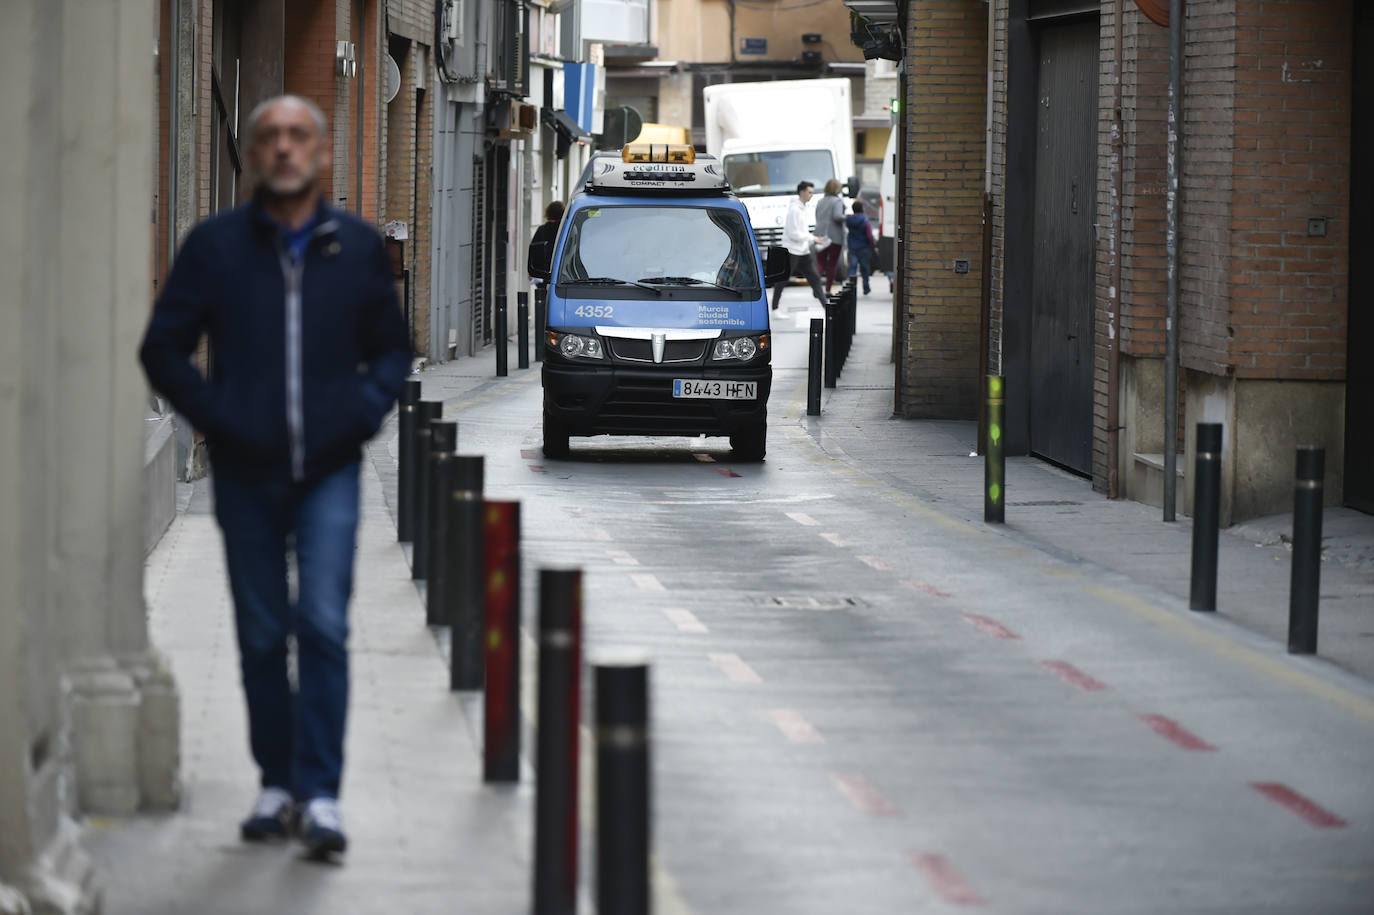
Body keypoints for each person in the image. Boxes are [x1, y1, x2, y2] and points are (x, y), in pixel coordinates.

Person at [139, 95, 410, 860]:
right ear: (254, 156)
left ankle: (320, 795)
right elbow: (163, 347)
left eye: (299, 136)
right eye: (269, 137)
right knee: (262, 633)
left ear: (321, 154)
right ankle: (277, 781)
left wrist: (359, 412)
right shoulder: (215, 247)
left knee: (321, 623)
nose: (285, 148)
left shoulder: (353, 247)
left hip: (328, 469)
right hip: (246, 472)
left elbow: (393, 350)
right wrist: (215, 416)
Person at [771, 180, 829, 311]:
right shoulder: (795, 210)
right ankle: (774, 309)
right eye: (809, 192)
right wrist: (813, 239)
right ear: (802, 192)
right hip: (792, 250)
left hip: (802, 250)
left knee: (814, 278)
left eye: (812, 192)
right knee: (782, 280)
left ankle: (827, 307)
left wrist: (812, 239)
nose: (811, 195)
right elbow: (793, 234)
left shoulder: (802, 208)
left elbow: (801, 231)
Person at [815, 178, 847, 294]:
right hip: (834, 237)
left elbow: (817, 217)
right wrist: (848, 217)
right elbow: (837, 216)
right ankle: (827, 290)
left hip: (820, 236)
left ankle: (816, 287)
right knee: (832, 264)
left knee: (821, 263)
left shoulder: (820, 201)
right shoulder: (837, 201)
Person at [845, 200, 876, 295]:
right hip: (864, 248)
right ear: (862, 209)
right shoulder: (865, 220)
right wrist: (873, 243)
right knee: (864, 268)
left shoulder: (849, 220)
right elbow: (869, 235)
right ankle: (866, 287)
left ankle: (851, 288)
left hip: (852, 247)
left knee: (853, 267)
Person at [528, 200, 564, 279]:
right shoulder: (564, 230)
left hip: (543, 272)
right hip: (561, 270)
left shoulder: (542, 229)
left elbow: (534, 249)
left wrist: (532, 271)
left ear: (548, 213)